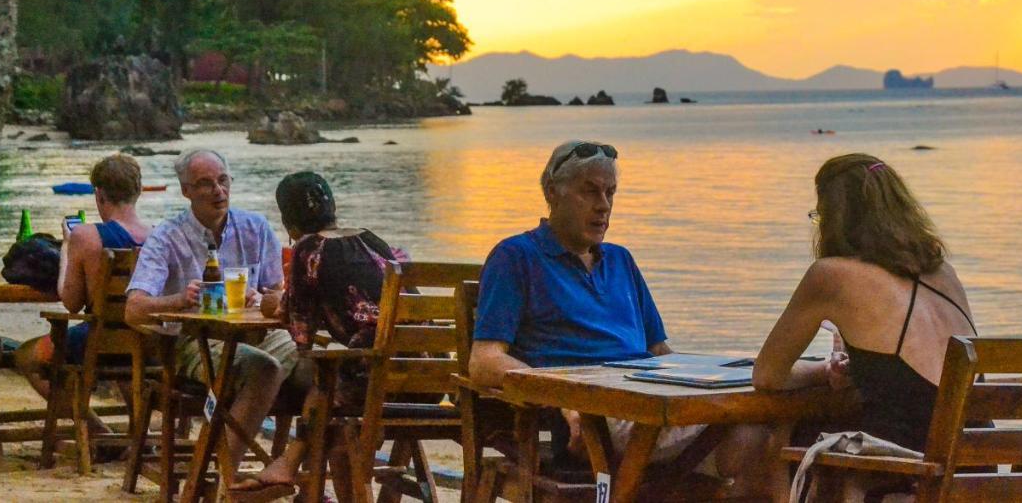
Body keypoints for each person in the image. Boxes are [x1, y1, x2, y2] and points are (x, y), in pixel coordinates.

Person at [468, 140, 754, 484]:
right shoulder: (517, 257)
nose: (603, 206)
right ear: (552, 192)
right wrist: (564, 402)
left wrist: (706, 381)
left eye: (610, 193)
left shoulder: (621, 260)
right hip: (597, 417)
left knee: (779, 420)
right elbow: (484, 361)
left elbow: (660, 352)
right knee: (761, 436)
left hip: (648, 401)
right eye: (588, 192)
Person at [753, 153, 978, 455]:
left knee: (780, 433)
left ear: (835, 219)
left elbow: (768, 376)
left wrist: (823, 370)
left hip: (911, 467)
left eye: (820, 216)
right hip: (973, 463)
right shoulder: (943, 272)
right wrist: (856, 370)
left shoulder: (831, 275)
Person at [125, 148, 297, 487]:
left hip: (253, 336)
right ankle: (222, 476)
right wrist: (181, 299)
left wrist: (262, 298)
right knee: (262, 369)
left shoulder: (256, 228)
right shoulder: (167, 236)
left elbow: (277, 294)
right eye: (205, 184)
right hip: (190, 341)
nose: (218, 191)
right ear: (186, 191)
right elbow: (133, 308)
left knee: (312, 362)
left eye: (222, 180)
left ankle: (287, 469)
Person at [231, 171, 408, 496]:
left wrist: (274, 303)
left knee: (325, 379)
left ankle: (287, 463)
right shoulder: (371, 239)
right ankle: (291, 467)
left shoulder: (309, 249)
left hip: (374, 379)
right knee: (337, 401)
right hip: (423, 377)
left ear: (289, 224)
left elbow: (301, 333)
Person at [14, 154, 153, 450]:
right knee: (128, 366)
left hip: (98, 342)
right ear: (138, 192)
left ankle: (99, 431)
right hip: (146, 342)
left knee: (26, 356)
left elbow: (71, 302)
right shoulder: (158, 237)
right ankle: (139, 435)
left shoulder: (87, 237)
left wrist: (67, 244)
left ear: (99, 194)